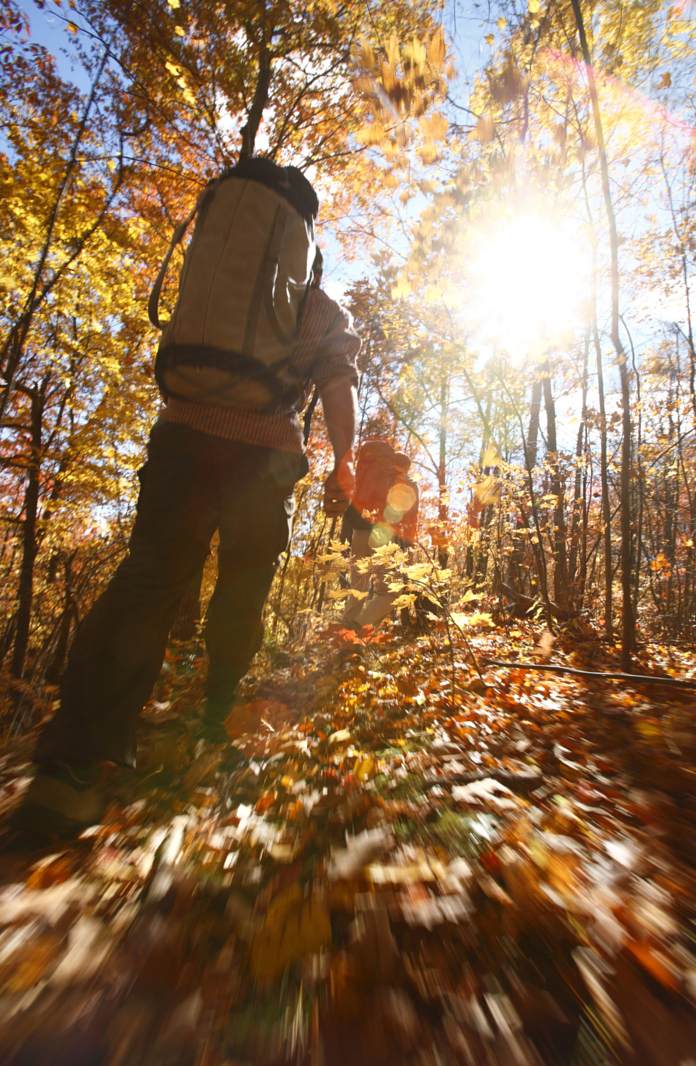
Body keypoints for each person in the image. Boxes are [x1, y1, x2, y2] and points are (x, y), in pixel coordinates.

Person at [14, 173, 360, 836]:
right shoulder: (311, 303)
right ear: (305, 234)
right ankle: (212, 723)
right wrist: (342, 462)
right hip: (263, 458)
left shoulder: (208, 284)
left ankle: (70, 771)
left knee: (148, 583)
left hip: (180, 442)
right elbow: (337, 382)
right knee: (242, 591)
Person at [342, 447, 419, 630]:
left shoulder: (372, 477)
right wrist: (406, 545)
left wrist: (345, 539)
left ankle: (342, 636)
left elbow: (351, 507)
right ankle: (358, 630)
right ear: (406, 466)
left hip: (359, 533)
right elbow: (411, 516)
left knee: (357, 588)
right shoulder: (407, 481)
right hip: (384, 535)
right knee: (390, 594)